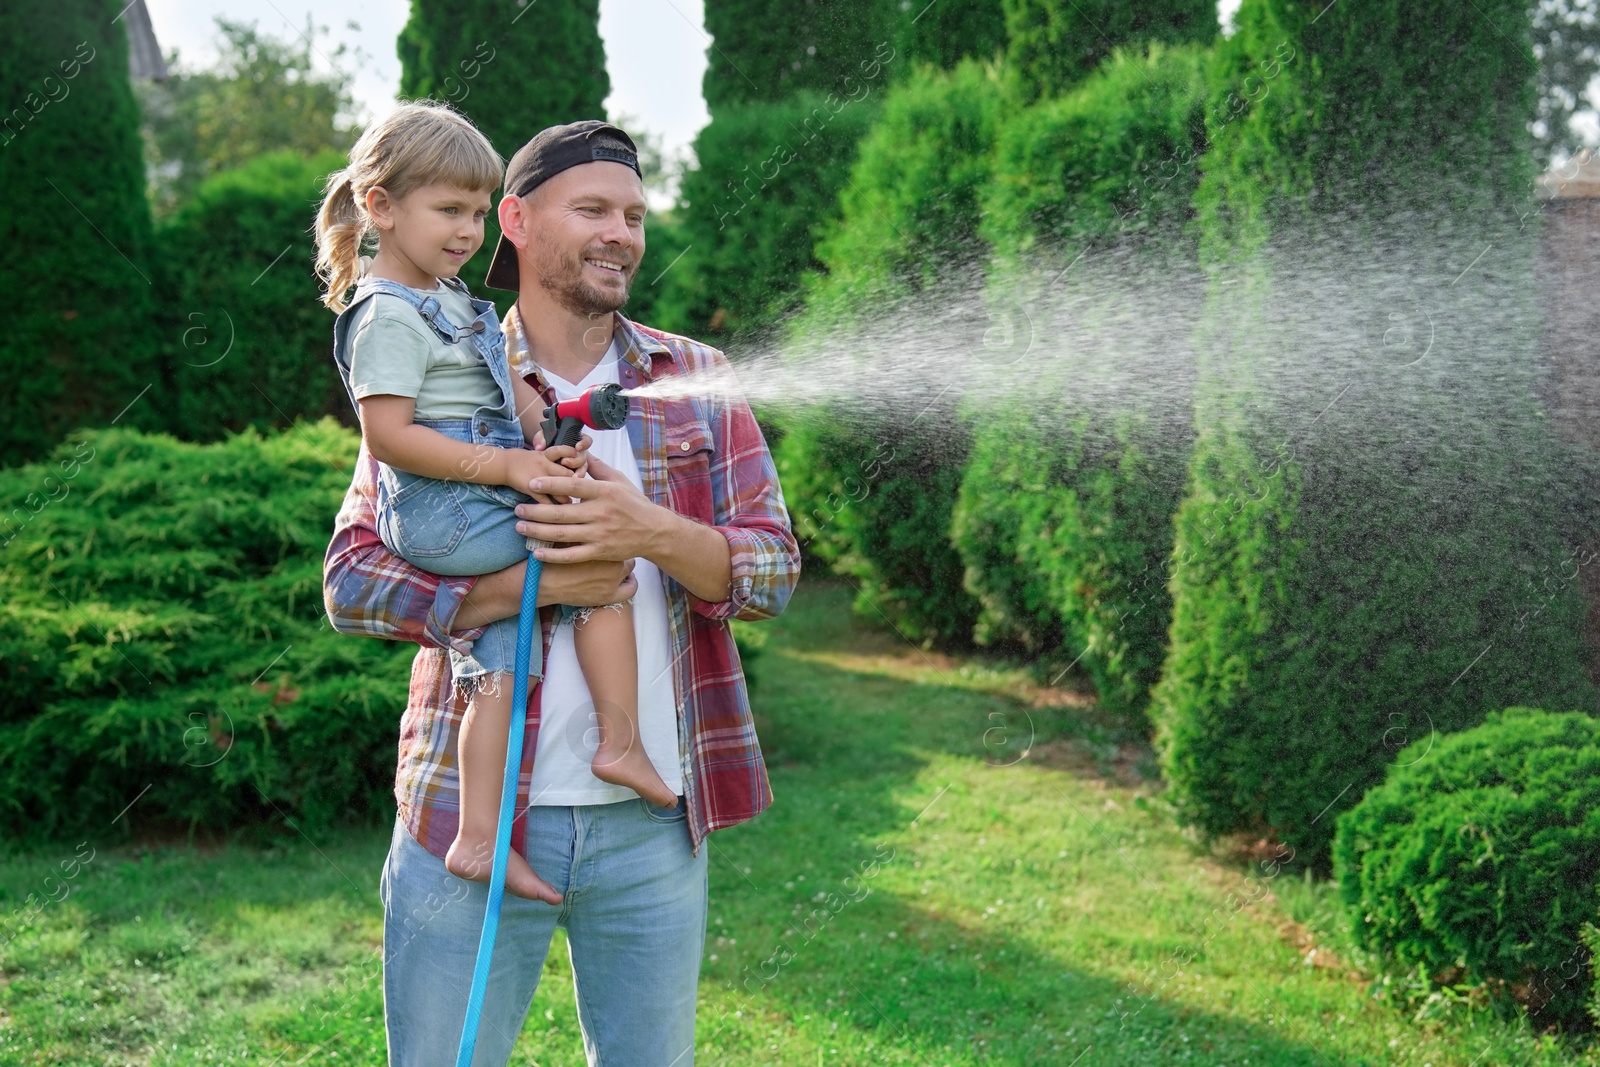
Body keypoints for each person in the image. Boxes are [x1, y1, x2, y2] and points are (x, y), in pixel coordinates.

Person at [321, 118, 800, 1066]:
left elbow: (775, 570)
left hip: (653, 827)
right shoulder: (447, 363)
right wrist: (520, 590)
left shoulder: (696, 377)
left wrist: (649, 533)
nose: (621, 231)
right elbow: (353, 581)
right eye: (593, 209)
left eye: (634, 213)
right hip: (469, 813)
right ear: (517, 221)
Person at [314, 102, 676, 909]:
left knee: (497, 672)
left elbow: (500, 386)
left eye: (476, 213)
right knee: (597, 557)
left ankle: (478, 838)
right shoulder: (385, 314)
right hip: (441, 515)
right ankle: (620, 742)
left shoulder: (449, 304)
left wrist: (539, 427)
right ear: (380, 206)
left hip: (474, 494)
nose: (468, 231)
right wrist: (514, 466)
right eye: (449, 210)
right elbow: (392, 438)